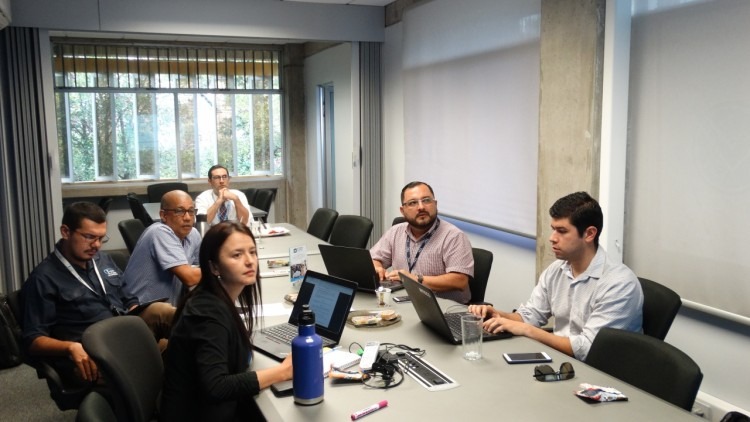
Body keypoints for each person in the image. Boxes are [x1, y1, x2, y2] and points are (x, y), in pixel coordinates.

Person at [469, 192, 643, 361]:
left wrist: (526, 330)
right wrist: (497, 315)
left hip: (601, 373)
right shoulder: (557, 269)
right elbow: (531, 315)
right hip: (561, 360)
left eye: (561, 231)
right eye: (553, 230)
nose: (552, 238)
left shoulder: (618, 284)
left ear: (589, 234)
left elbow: (586, 349)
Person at [21, 202, 173, 385]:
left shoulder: (102, 259)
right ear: (65, 232)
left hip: (124, 334)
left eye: (101, 238)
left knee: (164, 314)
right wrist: (70, 347)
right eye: (89, 237)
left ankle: (212, 339)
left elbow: (127, 297)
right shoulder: (43, 278)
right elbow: (33, 340)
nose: (97, 245)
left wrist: (134, 310)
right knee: (169, 358)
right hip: (93, 351)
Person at [160, 221, 293, 421]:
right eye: (237, 255)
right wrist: (282, 372)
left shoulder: (213, 300)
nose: (250, 261)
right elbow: (216, 387)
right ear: (214, 266)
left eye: (252, 252)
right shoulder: (207, 313)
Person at [370, 181, 474, 304]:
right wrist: (377, 268)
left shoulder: (454, 236)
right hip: (405, 302)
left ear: (435, 204)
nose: (421, 207)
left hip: (444, 309)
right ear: (402, 211)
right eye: (413, 203)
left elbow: (459, 280)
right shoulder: (396, 231)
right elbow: (374, 258)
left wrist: (415, 279)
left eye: (426, 200)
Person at [124, 190, 201, 305]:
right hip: (141, 309)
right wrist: (220, 268)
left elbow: (200, 267)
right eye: (179, 211)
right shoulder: (159, 232)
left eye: (191, 211)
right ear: (163, 215)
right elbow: (190, 278)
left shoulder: (193, 233)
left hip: (170, 307)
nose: (188, 218)